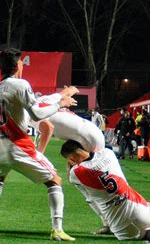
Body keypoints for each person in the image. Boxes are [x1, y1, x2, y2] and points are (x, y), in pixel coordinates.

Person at [0, 48, 77, 241]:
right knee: (55, 180)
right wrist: (61, 104)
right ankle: (57, 230)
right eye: (22, 63)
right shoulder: (21, 84)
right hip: (17, 146)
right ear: (17, 65)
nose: (23, 66)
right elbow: (37, 114)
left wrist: (58, 97)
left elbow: (30, 107)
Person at [29, 93, 112, 235]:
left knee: (87, 186)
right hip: (88, 135)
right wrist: (69, 92)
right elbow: (68, 91)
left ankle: (111, 221)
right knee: (82, 181)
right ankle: (111, 220)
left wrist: (39, 154)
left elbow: (48, 128)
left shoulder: (30, 113)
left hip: (89, 140)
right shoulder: (44, 99)